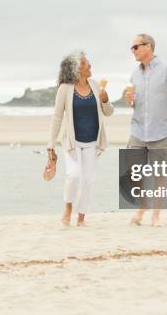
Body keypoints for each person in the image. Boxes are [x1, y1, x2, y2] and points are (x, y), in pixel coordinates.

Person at [125, 34, 167, 227]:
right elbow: (135, 103)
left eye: (135, 47)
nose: (132, 50)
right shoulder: (134, 75)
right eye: (132, 48)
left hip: (162, 131)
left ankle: (156, 216)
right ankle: (143, 205)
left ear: (148, 47)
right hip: (138, 130)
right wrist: (130, 100)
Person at [47, 51, 114, 226]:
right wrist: (51, 144)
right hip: (72, 142)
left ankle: (81, 217)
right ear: (77, 68)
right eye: (86, 63)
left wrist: (105, 100)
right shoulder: (65, 88)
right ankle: (68, 206)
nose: (90, 65)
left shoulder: (95, 85)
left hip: (93, 141)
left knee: (89, 180)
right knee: (74, 175)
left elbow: (108, 112)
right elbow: (57, 117)